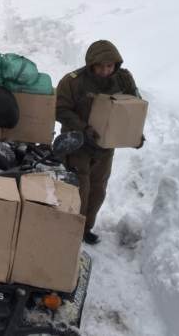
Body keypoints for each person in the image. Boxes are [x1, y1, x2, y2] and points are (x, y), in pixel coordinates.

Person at [55, 40, 142, 245]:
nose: (105, 71)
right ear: (91, 64)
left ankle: (85, 228)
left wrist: (135, 134)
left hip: (105, 146)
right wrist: (83, 128)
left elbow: (133, 108)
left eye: (109, 66)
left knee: (97, 191)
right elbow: (59, 109)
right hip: (77, 144)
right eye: (100, 66)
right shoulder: (73, 82)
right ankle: (70, 229)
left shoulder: (123, 80)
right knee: (79, 190)